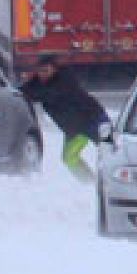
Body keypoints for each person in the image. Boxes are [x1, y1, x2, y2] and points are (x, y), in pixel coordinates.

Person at [20, 53, 110, 183]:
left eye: (46, 70)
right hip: (75, 129)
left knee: (110, 153)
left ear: (54, 69)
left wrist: (29, 93)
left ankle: (112, 184)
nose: (42, 74)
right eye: (40, 71)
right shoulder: (40, 82)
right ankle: (90, 183)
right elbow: (27, 91)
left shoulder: (65, 80)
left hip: (94, 120)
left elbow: (47, 94)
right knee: (69, 157)